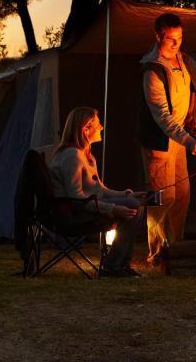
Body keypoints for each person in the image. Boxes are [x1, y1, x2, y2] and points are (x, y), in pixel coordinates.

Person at [138, 13, 196, 267]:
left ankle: (175, 248)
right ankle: (156, 253)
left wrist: (195, 119)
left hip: (179, 140)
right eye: (171, 39)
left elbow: (187, 95)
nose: (176, 44)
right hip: (159, 142)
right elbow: (162, 117)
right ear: (158, 36)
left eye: (179, 38)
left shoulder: (181, 60)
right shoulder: (153, 69)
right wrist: (188, 140)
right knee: (161, 197)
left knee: (183, 195)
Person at [49, 106, 145, 277]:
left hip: (84, 206)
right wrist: (112, 209)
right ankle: (114, 266)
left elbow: (99, 189)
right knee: (133, 208)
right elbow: (75, 199)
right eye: (97, 124)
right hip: (71, 213)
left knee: (134, 204)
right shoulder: (72, 156)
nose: (101, 127)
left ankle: (120, 264)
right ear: (85, 129)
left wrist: (126, 194)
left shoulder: (87, 155)